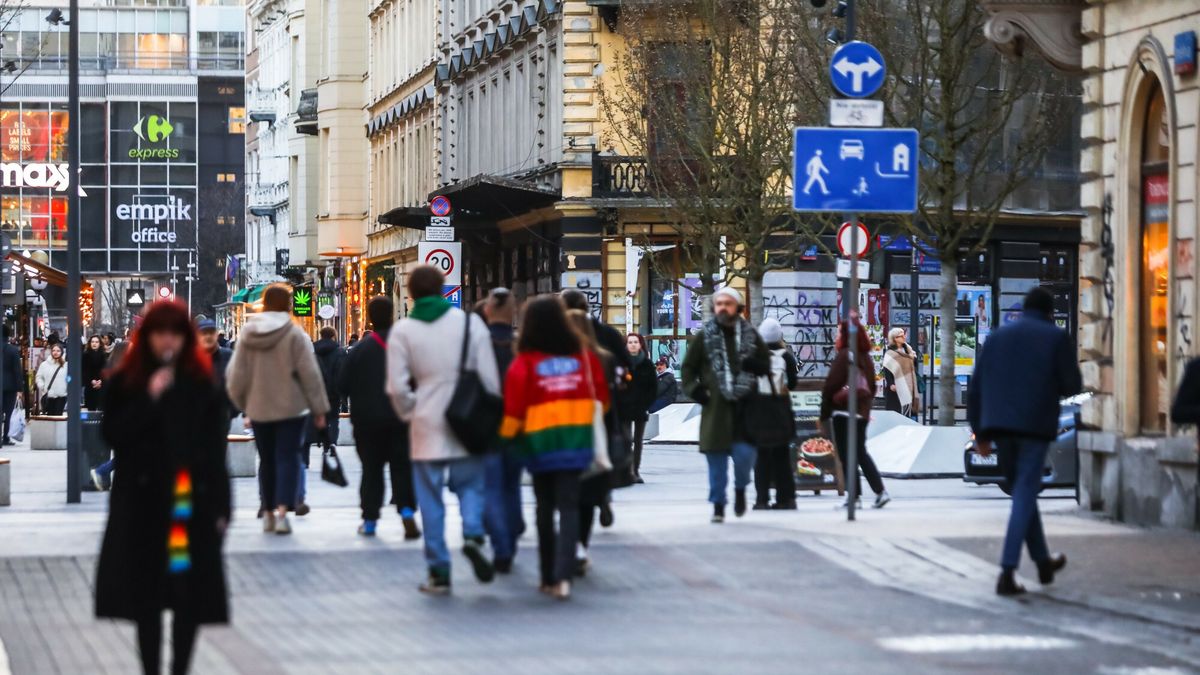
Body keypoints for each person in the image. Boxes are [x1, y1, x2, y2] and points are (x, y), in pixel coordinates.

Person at [95, 301, 230, 675]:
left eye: (174, 333)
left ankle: (180, 668)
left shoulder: (201, 384)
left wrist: (222, 507)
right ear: (148, 337)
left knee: (187, 594)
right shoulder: (128, 382)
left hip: (188, 504)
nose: (166, 342)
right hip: (142, 505)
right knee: (147, 596)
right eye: (159, 333)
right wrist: (149, 398)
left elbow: (212, 450)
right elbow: (113, 434)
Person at [387, 265, 500, 595]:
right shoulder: (469, 324)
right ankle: (474, 534)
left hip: (426, 418)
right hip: (466, 417)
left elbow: (395, 387)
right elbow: (490, 379)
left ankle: (438, 570)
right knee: (470, 486)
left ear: (411, 293)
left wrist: (411, 410)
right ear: (442, 289)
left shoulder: (403, 331)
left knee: (430, 499)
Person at [968, 287, 1080, 597]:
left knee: (1022, 493)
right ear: (1049, 313)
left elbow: (977, 387)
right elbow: (1073, 384)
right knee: (1024, 494)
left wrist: (980, 434)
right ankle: (1007, 570)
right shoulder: (1055, 338)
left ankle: (1043, 562)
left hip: (1000, 429)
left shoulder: (997, 338)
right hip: (1034, 426)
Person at [500, 296, 608, 600]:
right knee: (570, 506)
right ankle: (564, 575)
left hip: (539, 444)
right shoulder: (582, 358)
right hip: (576, 440)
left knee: (544, 508)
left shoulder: (525, 363)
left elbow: (514, 409)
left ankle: (548, 575)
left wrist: (506, 440)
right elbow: (602, 396)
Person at [226, 284, 330, 535]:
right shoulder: (295, 335)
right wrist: (319, 409)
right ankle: (283, 512)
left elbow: (236, 373)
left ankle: (268, 510)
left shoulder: (249, 334)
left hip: (259, 407)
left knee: (267, 459)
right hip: (291, 408)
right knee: (287, 458)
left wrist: (242, 404)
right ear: (287, 305)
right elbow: (310, 375)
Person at [681, 287, 769, 523]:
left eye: (727, 303)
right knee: (716, 462)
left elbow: (766, 362)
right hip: (715, 410)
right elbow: (688, 368)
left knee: (744, 458)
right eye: (718, 303)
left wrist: (756, 366)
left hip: (745, 409)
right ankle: (718, 504)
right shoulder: (704, 336)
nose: (722, 308)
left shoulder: (750, 334)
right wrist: (695, 390)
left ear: (738, 308)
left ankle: (740, 489)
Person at [339, 296, 421, 540]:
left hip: (367, 421)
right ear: (393, 314)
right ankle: (406, 512)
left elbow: (342, 384)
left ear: (371, 317)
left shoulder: (359, 350)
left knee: (371, 470)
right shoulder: (404, 347)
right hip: (400, 418)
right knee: (401, 467)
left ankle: (370, 520)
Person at [561, 289, 629, 512]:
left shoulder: (556, 336)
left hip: (565, 408)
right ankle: (603, 493)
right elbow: (627, 367)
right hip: (604, 406)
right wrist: (621, 389)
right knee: (602, 449)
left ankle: (577, 494)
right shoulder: (608, 334)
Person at [820, 317, 890, 511]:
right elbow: (872, 386)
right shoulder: (865, 357)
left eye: (838, 332)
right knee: (860, 453)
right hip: (861, 414)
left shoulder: (844, 356)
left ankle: (854, 496)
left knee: (846, 455)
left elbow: (831, 385)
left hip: (843, 413)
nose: (836, 336)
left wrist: (824, 413)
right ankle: (879, 491)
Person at [481, 287, 524, 572]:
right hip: (518, 428)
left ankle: (501, 545)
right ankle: (513, 528)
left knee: (492, 488)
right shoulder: (521, 347)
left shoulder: (477, 346)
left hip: (486, 429)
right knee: (512, 485)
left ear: (487, 311)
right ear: (513, 313)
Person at [752, 318, 799, 510]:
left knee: (761, 458)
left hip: (761, 413)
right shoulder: (786, 357)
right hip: (781, 411)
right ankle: (785, 498)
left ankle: (762, 499)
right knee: (782, 458)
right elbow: (793, 383)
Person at [623, 333, 656, 484]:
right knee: (626, 439)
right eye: (630, 342)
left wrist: (646, 404)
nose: (633, 345)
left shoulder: (647, 364)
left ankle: (635, 470)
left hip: (641, 408)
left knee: (638, 440)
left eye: (636, 342)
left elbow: (653, 388)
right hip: (625, 408)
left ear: (640, 344)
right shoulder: (622, 363)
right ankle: (627, 470)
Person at [312, 326, 345, 445]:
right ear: (333, 336)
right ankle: (332, 442)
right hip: (334, 390)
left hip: (317, 389)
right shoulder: (339, 351)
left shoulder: (313, 350)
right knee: (334, 417)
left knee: (320, 415)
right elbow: (342, 370)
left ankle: (321, 440)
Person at [881, 327, 920, 418]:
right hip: (896, 386)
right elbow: (887, 369)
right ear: (895, 338)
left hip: (908, 385)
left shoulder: (908, 350)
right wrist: (891, 383)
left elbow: (914, 366)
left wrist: (914, 358)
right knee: (896, 413)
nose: (904, 337)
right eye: (901, 336)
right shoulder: (890, 353)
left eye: (904, 335)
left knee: (908, 413)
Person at [35, 343, 68, 415]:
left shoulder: (66, 365)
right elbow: (39, 377)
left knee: (58, 417)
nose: (55, 352)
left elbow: (69, 378)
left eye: (58, 351)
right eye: (54, 350)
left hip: (61, 395)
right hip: (49, 395)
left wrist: (67, 387)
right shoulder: (44, 365)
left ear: (62, 352)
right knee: (49, 417)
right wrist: (42, 386)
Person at [2, 330, 21, 445]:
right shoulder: (13, 350)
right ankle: (5, 437)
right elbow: (17, 370)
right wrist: (20, 388)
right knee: (8, 412)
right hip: (10, 385)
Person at [81, 336, 107, 411]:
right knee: (91, 410)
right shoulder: (85, 355)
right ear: (89, 343)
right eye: (92, 342)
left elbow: (106, 370)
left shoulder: (103, 355)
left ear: (100, 344)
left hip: (101, 386)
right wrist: (91, 381)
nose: (94, 344)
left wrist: (101, 381)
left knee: (101, 410)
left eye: (96, 342)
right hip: (89, 386)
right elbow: (84, 371)